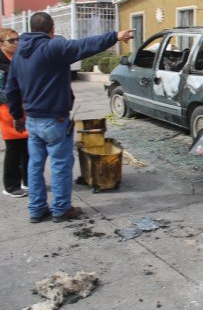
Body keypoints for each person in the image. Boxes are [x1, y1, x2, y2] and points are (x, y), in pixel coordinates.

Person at [5, 12, 133, 223]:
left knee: (35, 167)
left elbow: (12, 89)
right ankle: (61, 209)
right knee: (60, 165)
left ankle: (36, 210)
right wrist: (115, 35)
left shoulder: (19, 54)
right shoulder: (53, 48)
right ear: (51, 29)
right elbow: (84, 45)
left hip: (33, 120)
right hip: (55, 120)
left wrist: (18, 116)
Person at [0, 28, 29, 198]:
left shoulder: (18, 59)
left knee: (26, 146)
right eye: (12, 40)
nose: (17, 42)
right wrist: (17, 97)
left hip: (23, 108)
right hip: (7, 110)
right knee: (13, 147)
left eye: (18, 39)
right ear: (2, 44)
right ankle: (11, 185)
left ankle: (27, 180)